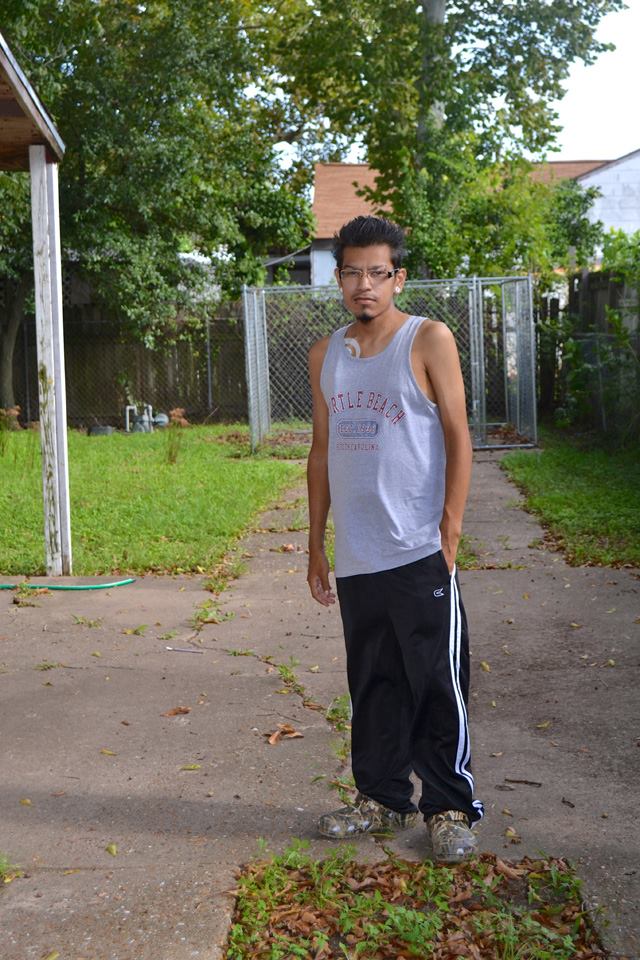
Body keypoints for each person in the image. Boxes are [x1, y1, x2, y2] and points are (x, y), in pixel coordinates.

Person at [306, 215, 483, 863]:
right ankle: (380, 799)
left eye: (376, 272)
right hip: (358, 552)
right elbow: (321, 451)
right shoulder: (326, 354)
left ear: (397, 276)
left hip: (418, 548)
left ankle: (450, 807)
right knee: (373, 680)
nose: (363, 285)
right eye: (350, 272)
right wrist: (315, 543)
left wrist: (451, 530)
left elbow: (460, 436)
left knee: (436, 678)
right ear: (339, 277)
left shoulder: (428, 339)